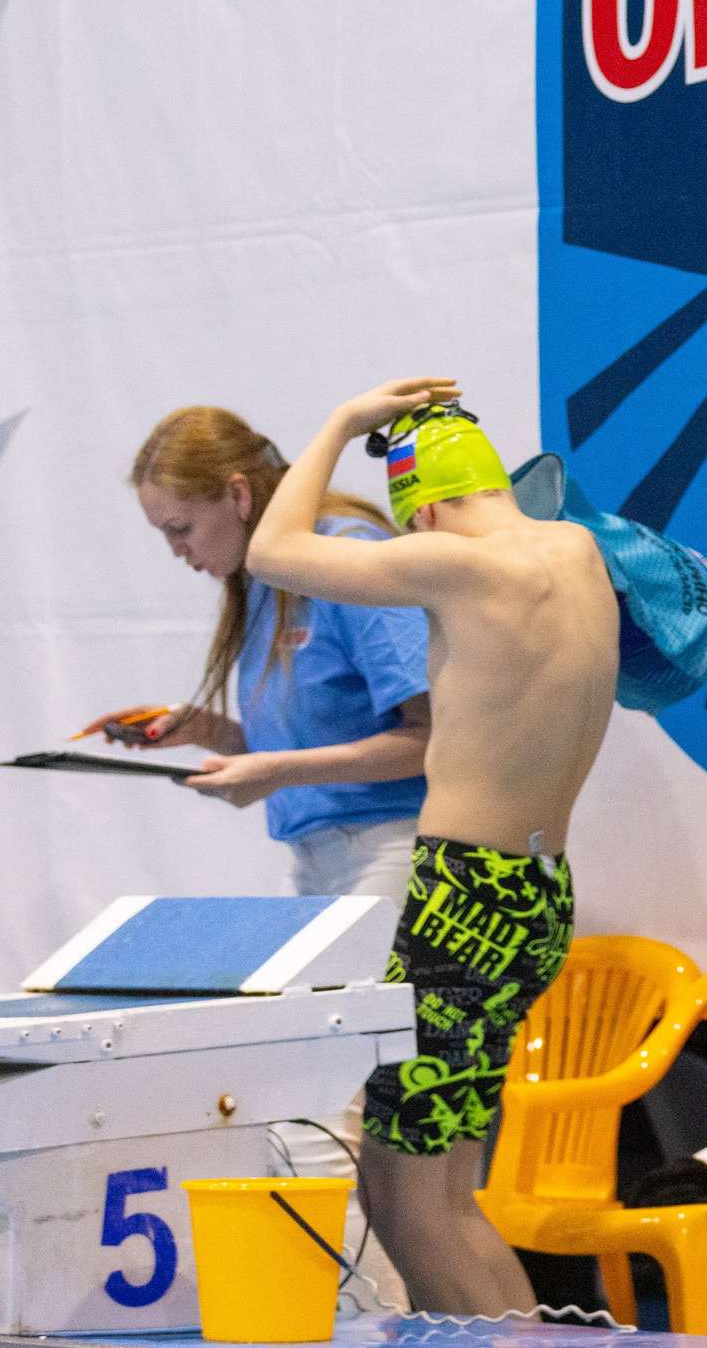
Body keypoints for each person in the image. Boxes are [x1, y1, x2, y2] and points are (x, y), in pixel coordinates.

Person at [247, 377, 620, 1318]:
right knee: (451, 1195)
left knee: (406, 1196)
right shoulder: (578, 552)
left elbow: (271, 550)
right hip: (536, 894)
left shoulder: (458, 566)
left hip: (464, 903)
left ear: (424, 510)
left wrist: (341, 421)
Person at [87, 407, 432, 904]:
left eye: (180, 527)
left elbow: (436, 740)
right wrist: (213, 732)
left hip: (396, 842)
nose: (176, 550)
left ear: (238, 494)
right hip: (314, 854)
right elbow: (320, 747)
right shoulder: (263, 583)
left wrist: (279, 771)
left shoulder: (345, 556)